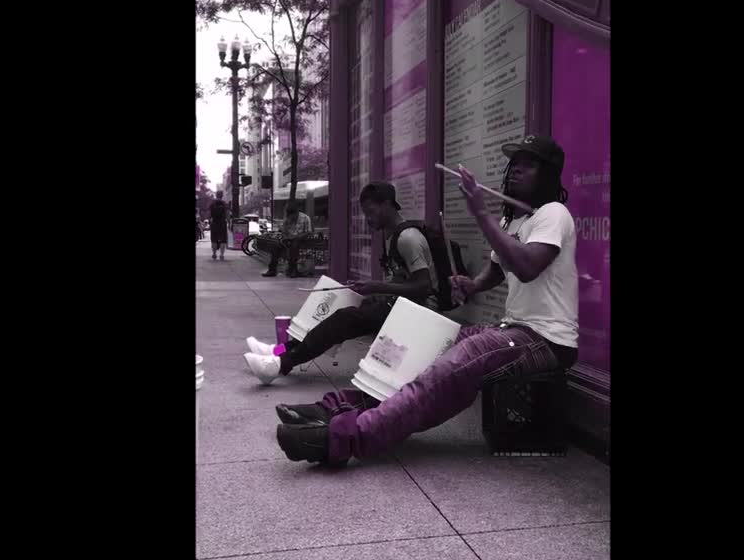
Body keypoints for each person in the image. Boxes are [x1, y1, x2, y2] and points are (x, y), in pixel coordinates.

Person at [275, 136, 580, 464]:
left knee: (452, 368)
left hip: (546, 340)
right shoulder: (515, 219)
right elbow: (498, 267)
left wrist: (480, 213)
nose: (517, 170)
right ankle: (333, 409)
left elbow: (527, 266)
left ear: (548, 173)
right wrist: (473, 284)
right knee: (422, 351)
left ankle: (343, 440)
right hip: (513, 329)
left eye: (529, 164)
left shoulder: (554, 214)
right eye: (515, 163)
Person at [244, 181, 440, 385]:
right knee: (339, 309)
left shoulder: (408, 238)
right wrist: (374, 290)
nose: (368, 218)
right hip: (400, 305)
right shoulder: (390, 236)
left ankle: (280, 364)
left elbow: (424, 287)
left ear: (387, 204)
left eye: (371, 211)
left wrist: (377, 287)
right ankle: (278, 351)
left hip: (420, 313)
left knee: (344, 318)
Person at [263, 203, 314, 278]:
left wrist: (296, 237)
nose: (291, 218)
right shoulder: (288, 219)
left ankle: (293, 270)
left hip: (300, 239)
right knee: (275, 246)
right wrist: (285, 235)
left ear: (296, 213)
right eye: (289, 216)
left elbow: (309, 232)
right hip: (289, 238)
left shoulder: (305, 218)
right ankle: (272, 270)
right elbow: (283, 230)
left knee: (294, 246)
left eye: (293, 216)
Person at [209, 191, 229, 261]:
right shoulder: (224, 204)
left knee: (214, 239)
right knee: (223, 240)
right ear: (222, 196)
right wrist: (228, 222)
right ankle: (221, 255)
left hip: (214, 223)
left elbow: (210, 214)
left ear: (216, 195)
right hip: (222, 223)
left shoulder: (212, 204)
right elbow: (227, 214)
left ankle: (214, 253)